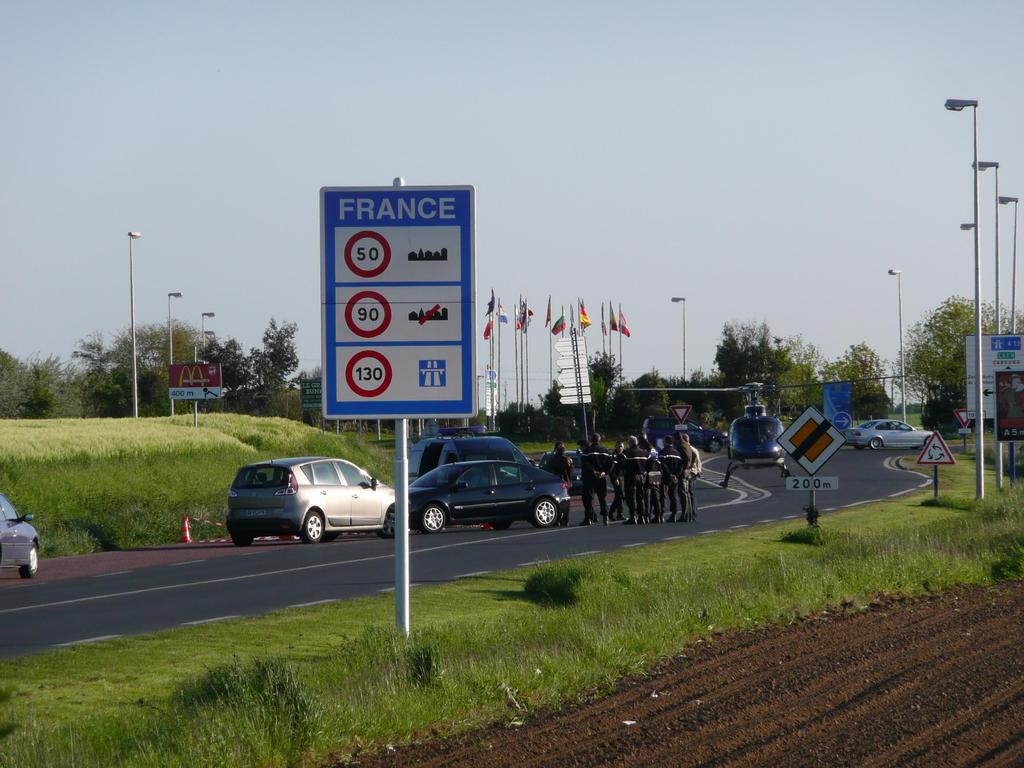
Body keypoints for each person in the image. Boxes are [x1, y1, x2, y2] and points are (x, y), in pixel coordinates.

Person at [581, 433, 614, 525]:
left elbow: (585, 464)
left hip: (589, 477)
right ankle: (605, 517)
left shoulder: (587, 451)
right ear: (599, 440)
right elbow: (610, 464)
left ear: (591, 440)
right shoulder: (605, 451)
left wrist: (593, 471)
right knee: (602, 498)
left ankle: (588, 519)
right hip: (601, 477)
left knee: (588, 498)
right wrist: (604, 472)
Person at [546, 442, 574, 526]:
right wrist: (569, 481)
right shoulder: (567, 459)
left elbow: (548, 470)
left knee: (555, 500)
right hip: (565, 481)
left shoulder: (552, 459)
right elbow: (571, 472)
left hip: (555, 481)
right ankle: (566, 519)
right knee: (566, 501)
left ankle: (557, 520)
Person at [622, 436, 648, 524]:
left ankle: (633, 516)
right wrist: (645, 470)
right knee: (640, 497)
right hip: (641, 476)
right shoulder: (644, 452)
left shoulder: (627, 453)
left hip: (631, 476)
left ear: (629, 443)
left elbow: (622, 464)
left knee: (631, 497)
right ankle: (641, 517)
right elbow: (651, 461)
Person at [658, 437, 684, 522]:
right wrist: (676, 475)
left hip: (665, 477)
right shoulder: (677, 453)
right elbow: (681, 465)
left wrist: (670, 474)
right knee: (673, 496)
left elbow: (662, 465)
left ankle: (661, 515)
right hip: (675, 478)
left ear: (666, 442)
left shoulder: (663, 452)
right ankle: (674, 515)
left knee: (663, 496)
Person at [678, 433, 698, 522]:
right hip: (692, 471)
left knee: (687, 493)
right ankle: (691, 514)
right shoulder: (691, 448)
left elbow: (693, 458)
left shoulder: (686, 448)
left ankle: (689, 514)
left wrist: (688, 467)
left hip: (689, 472)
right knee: (690, 494)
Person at [608, 439, 626, 521]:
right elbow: (611, 469)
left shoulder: (623, 455)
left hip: (622, 477)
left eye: (621, 446)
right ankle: (616, 513)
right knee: (619, 495)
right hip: (616, 478)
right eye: (618, 446)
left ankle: (616, 513)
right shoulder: (614, 456)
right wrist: (615, 478)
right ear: (615, 447)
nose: (620, 448)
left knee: (619, 496)